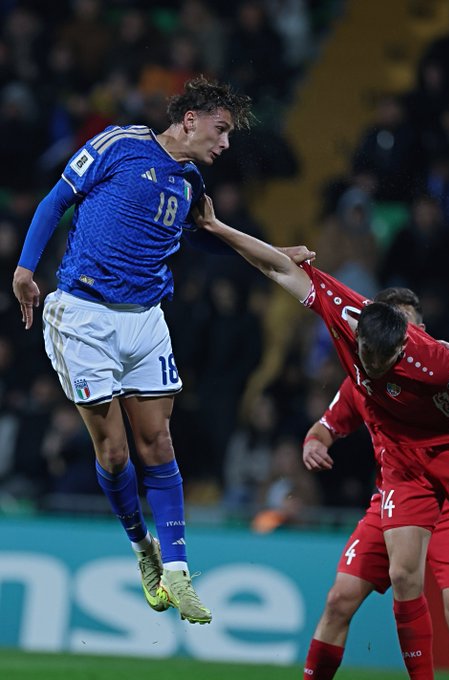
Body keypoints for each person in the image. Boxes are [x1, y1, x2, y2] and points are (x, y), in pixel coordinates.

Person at [193, 196, 449, 677]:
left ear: (405, 342)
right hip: (406, 468)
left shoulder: (433, 359)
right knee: (401, 576)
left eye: (384, 364)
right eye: (366, 361)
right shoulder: (347, 314)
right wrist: (216, 227)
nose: (372, 372)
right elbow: (276, 267)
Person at [11, 76, 257, 626]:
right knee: (115, 453)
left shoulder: (190, 181)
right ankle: (142, 548)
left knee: (159, 441)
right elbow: (57, 199)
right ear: (190, 118)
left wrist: (277, 253)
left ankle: (178, 570)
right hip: (85, 317)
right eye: (220, 131)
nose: (224, 145)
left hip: (145, 320)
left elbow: (219, 233)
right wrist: (27, 267)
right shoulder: (119, 144)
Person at [302, 286, 449, 680]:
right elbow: (323, 428)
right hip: (396, 492)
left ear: (418, 332)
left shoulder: (435, 365)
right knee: (340, 599)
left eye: (407, 329)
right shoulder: (363, 376)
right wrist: (312, 444)